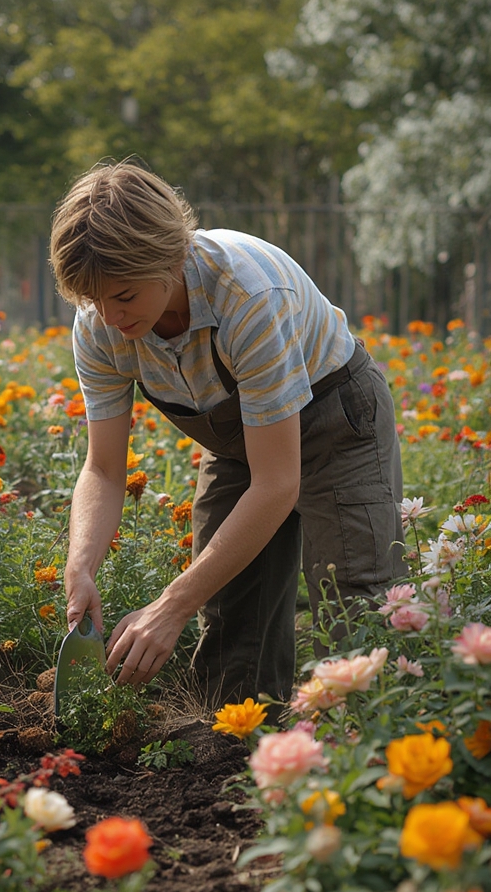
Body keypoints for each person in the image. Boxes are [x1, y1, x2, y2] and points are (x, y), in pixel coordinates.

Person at [49, 159, 404, 710]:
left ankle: (367, 763)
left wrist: (169, 606)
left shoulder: (249, 296)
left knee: (354, 603)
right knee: (232, 617)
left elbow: (277, 481)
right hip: (242, 436)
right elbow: (103, 469)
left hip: (337, 424)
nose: (108, 316)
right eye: (93, 300)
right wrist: (81, 563)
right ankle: (238, 758)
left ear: (170, 257)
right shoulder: (99, 322)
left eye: (123, 296)